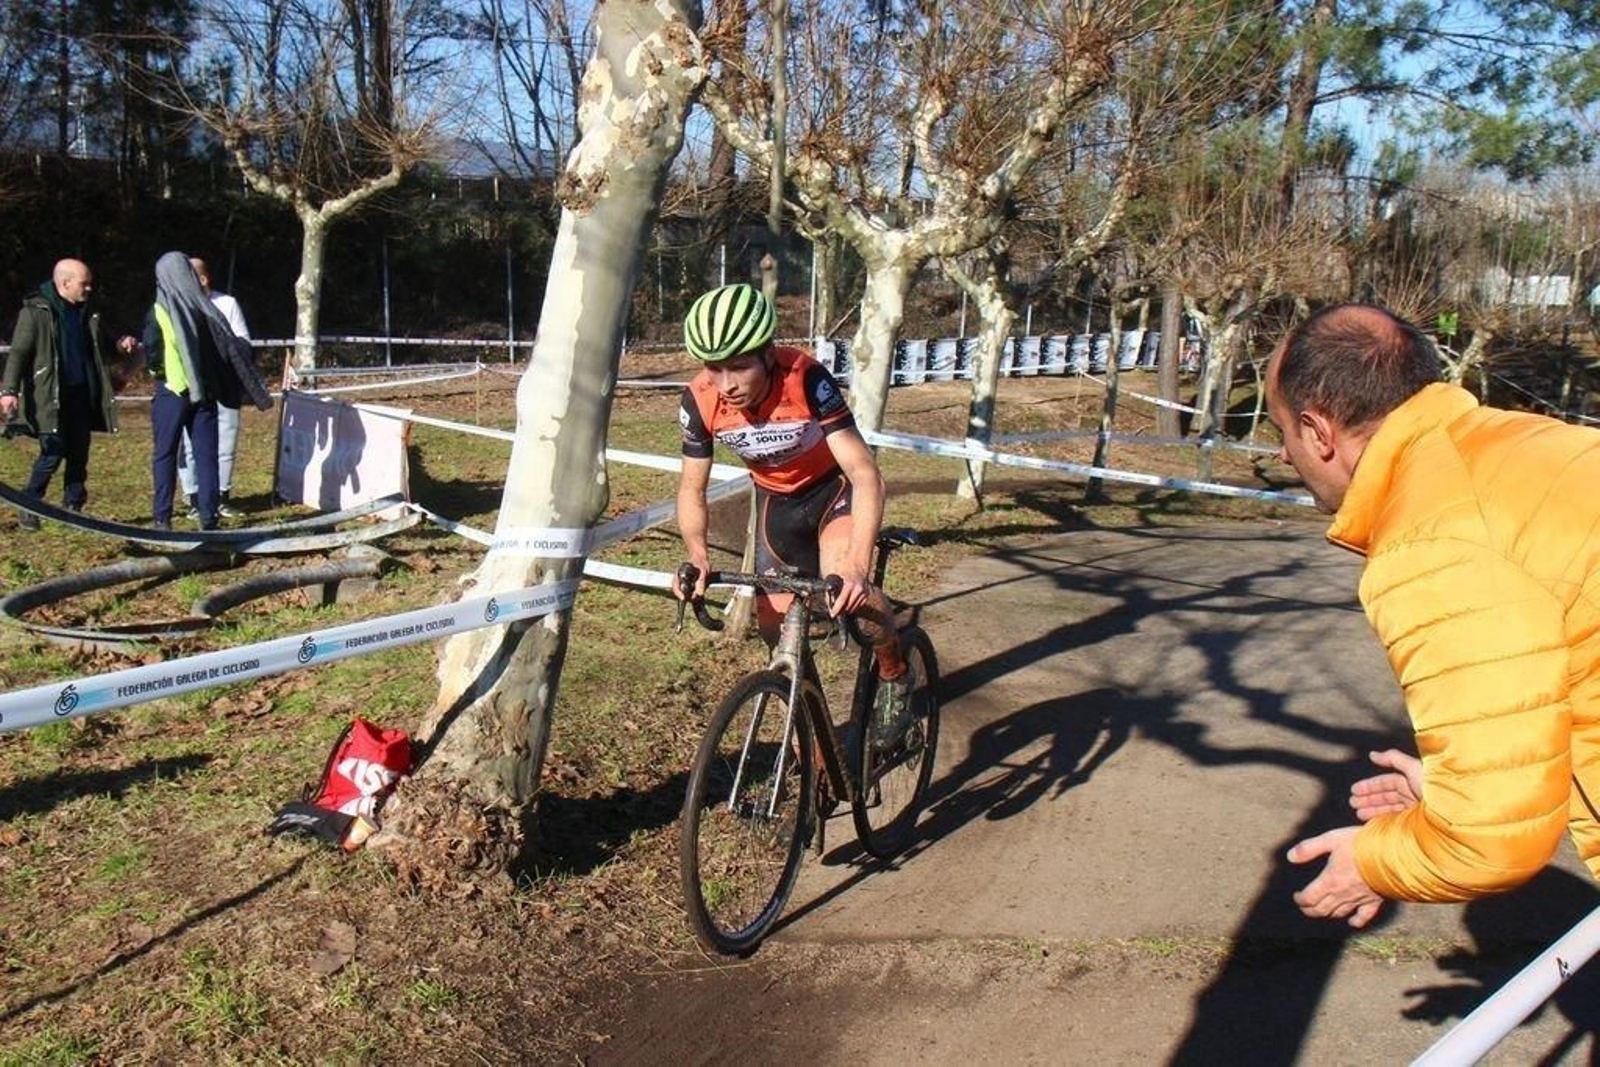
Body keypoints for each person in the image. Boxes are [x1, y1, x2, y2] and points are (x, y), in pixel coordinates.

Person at [1267, 303, 1600, 929]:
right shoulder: (1535, 443)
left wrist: (1375, 859)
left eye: (1281, 430)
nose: (1284, 456)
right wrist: (1464, 778)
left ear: (1318, 432)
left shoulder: (1433, 540)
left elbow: (1487, 841)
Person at [674, 283, 912, 748]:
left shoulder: (805, 379)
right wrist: (697, 556)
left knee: (852, 597)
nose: (727, 384)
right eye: (714, 368)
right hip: (777, 507)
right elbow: (691, 487)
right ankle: (812, 752)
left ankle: (894, 672)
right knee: (773, 629)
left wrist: (857, 569)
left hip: (832, 494)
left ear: (766, 353)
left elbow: (865, 474)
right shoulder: (699, 399)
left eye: (739, 365)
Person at [0, 259, 137, 529]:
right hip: (49, 396)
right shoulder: (36, 311)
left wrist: (122, 343)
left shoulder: (89, 312)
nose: (89, 288)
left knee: (79, 451)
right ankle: (30, 503)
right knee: (53, 451)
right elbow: (19, 354)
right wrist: (9, 390)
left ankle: (74, 506)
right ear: (64, 283)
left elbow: (106, 345)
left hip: (82, 393)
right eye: (83, 283)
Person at [142, 252, 268, 530]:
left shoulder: (159, 310)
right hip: (206, 393)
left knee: (165, 453)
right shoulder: (206, 308)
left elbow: (152, 352)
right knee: (207, 454)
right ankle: (209, 517)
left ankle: (162, 517)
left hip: (172, 391)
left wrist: (158, 373)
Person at [178, 257, 250, 518]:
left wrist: (222, 350)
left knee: (226, 439)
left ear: (203, 279)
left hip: (224, 385)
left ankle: (221, 495)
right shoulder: (179, 306)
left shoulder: (227, 304)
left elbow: (243, 342)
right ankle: (194, 496)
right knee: (189, 443)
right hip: (191, 386)